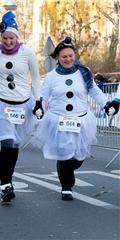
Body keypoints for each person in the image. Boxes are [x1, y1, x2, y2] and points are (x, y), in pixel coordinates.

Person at [0, 11, 43, 203]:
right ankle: (5, 185)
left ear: (17, 37)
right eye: (4, 38)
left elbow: (36, 78)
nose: (8, 42)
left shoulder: (27, 52)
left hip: (22, 105)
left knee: (14, 146)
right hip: (1, 103)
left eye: (11, 38)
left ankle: (8, 180)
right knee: (6, 143)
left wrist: (38, 100)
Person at [34, 36, 111, 201]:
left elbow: (94, 92)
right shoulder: (51, 76)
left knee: (79, 156)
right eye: (64, 57)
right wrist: (39, 105)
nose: (68, 59)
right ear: (58, 58)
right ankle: (66, 187)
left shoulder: (84, 72)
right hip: (59, 120)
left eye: (70, 56)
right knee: (64, 153)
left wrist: (106, 104)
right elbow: (44, 96)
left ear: (74, 55)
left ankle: (69, 171)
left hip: (81, 120)